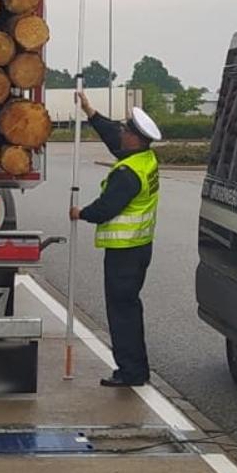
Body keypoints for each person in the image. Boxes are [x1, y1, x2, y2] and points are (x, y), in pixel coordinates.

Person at [68, 91, 164, 387]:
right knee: (129, 308)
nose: (121, 133)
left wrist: (80, 212)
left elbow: (106, 209)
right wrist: (90, 112)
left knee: (122, 311)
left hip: (125, 252)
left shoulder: (127, 174)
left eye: (126, 131)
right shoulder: (144, 159)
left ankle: (131, 372)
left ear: (135, 138)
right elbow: (113, 136)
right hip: (138, 248)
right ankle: (135, 368)